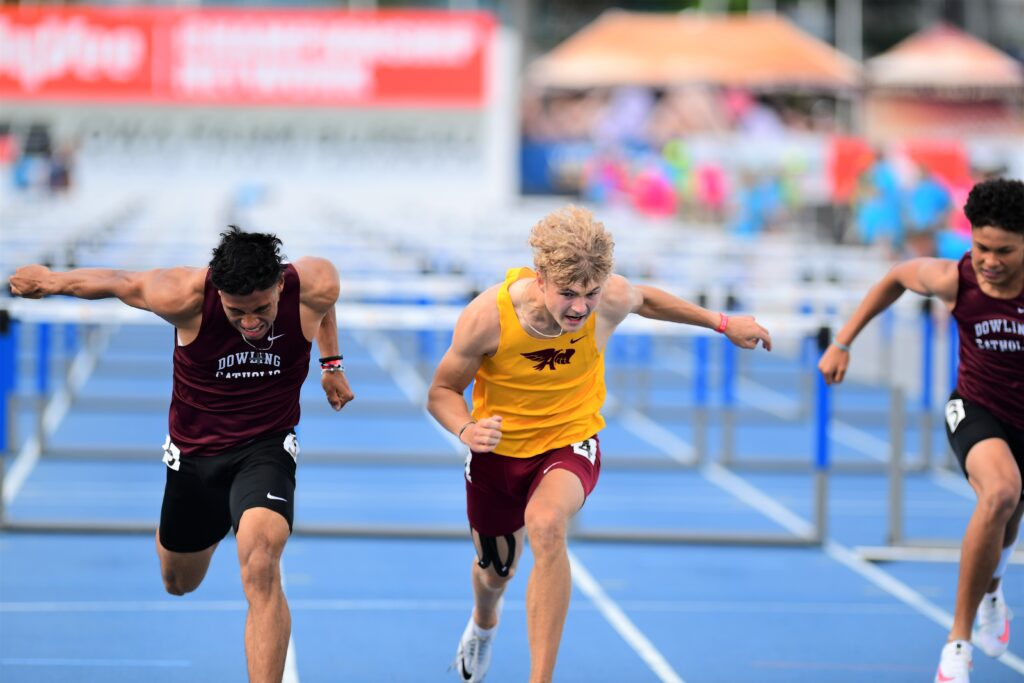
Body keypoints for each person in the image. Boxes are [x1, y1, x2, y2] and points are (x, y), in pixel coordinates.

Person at [426, 205, 772, 683]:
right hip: (499, 453)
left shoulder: (607, 299)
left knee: (545, 524)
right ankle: (484, 625)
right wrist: (466, 429)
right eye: (568, 294)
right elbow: (441, 392)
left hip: (569, 441)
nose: (579, 308)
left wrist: (721, 323)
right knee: (494, 574)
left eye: (589, 294)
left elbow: (646, 300)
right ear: (541, 277)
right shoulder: (488, 318)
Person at [8, 226, 355, 683]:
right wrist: (51, 281)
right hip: (195, 457)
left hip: (266, 447)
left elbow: (323, 306)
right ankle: (192, 528)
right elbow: (119, 282)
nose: (250, 323)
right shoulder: (184, 296)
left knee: (260, 560)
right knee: (179, 582)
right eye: (236, 312)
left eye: (261, 309)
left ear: (280, 286)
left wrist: (331, 364)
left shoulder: (315, 282)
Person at [818, 178, 1024, 683]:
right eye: (981, 247)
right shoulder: (955, 279)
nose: (990, 261)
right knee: (1000, 493)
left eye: (1004, 251)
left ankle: (993, 589)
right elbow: (894, 277)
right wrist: (843, 341)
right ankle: (959, 639)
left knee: (1013, 507)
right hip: (976, 409)